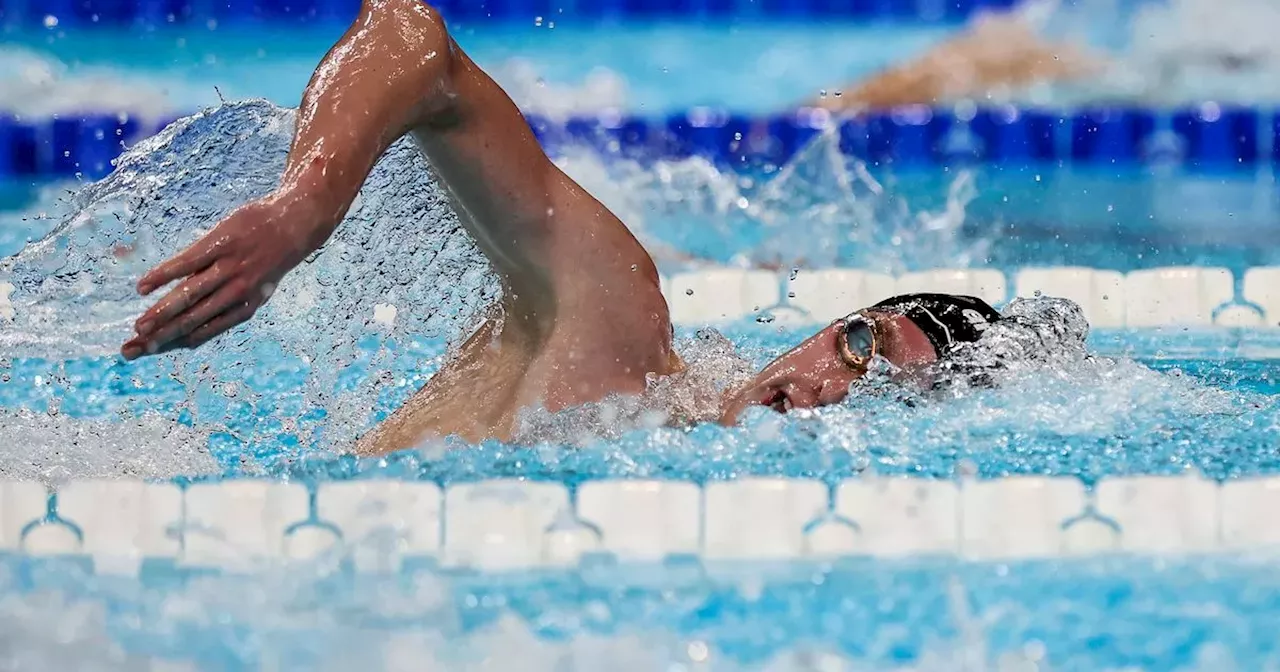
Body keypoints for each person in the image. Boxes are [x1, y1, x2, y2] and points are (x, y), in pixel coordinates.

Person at [119, 0, 1009, 456]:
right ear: (826, 328)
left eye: (879, 394)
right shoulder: (622, 334)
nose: (829, 389)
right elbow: (412, 36)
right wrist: (306, 204)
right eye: (860, 345)